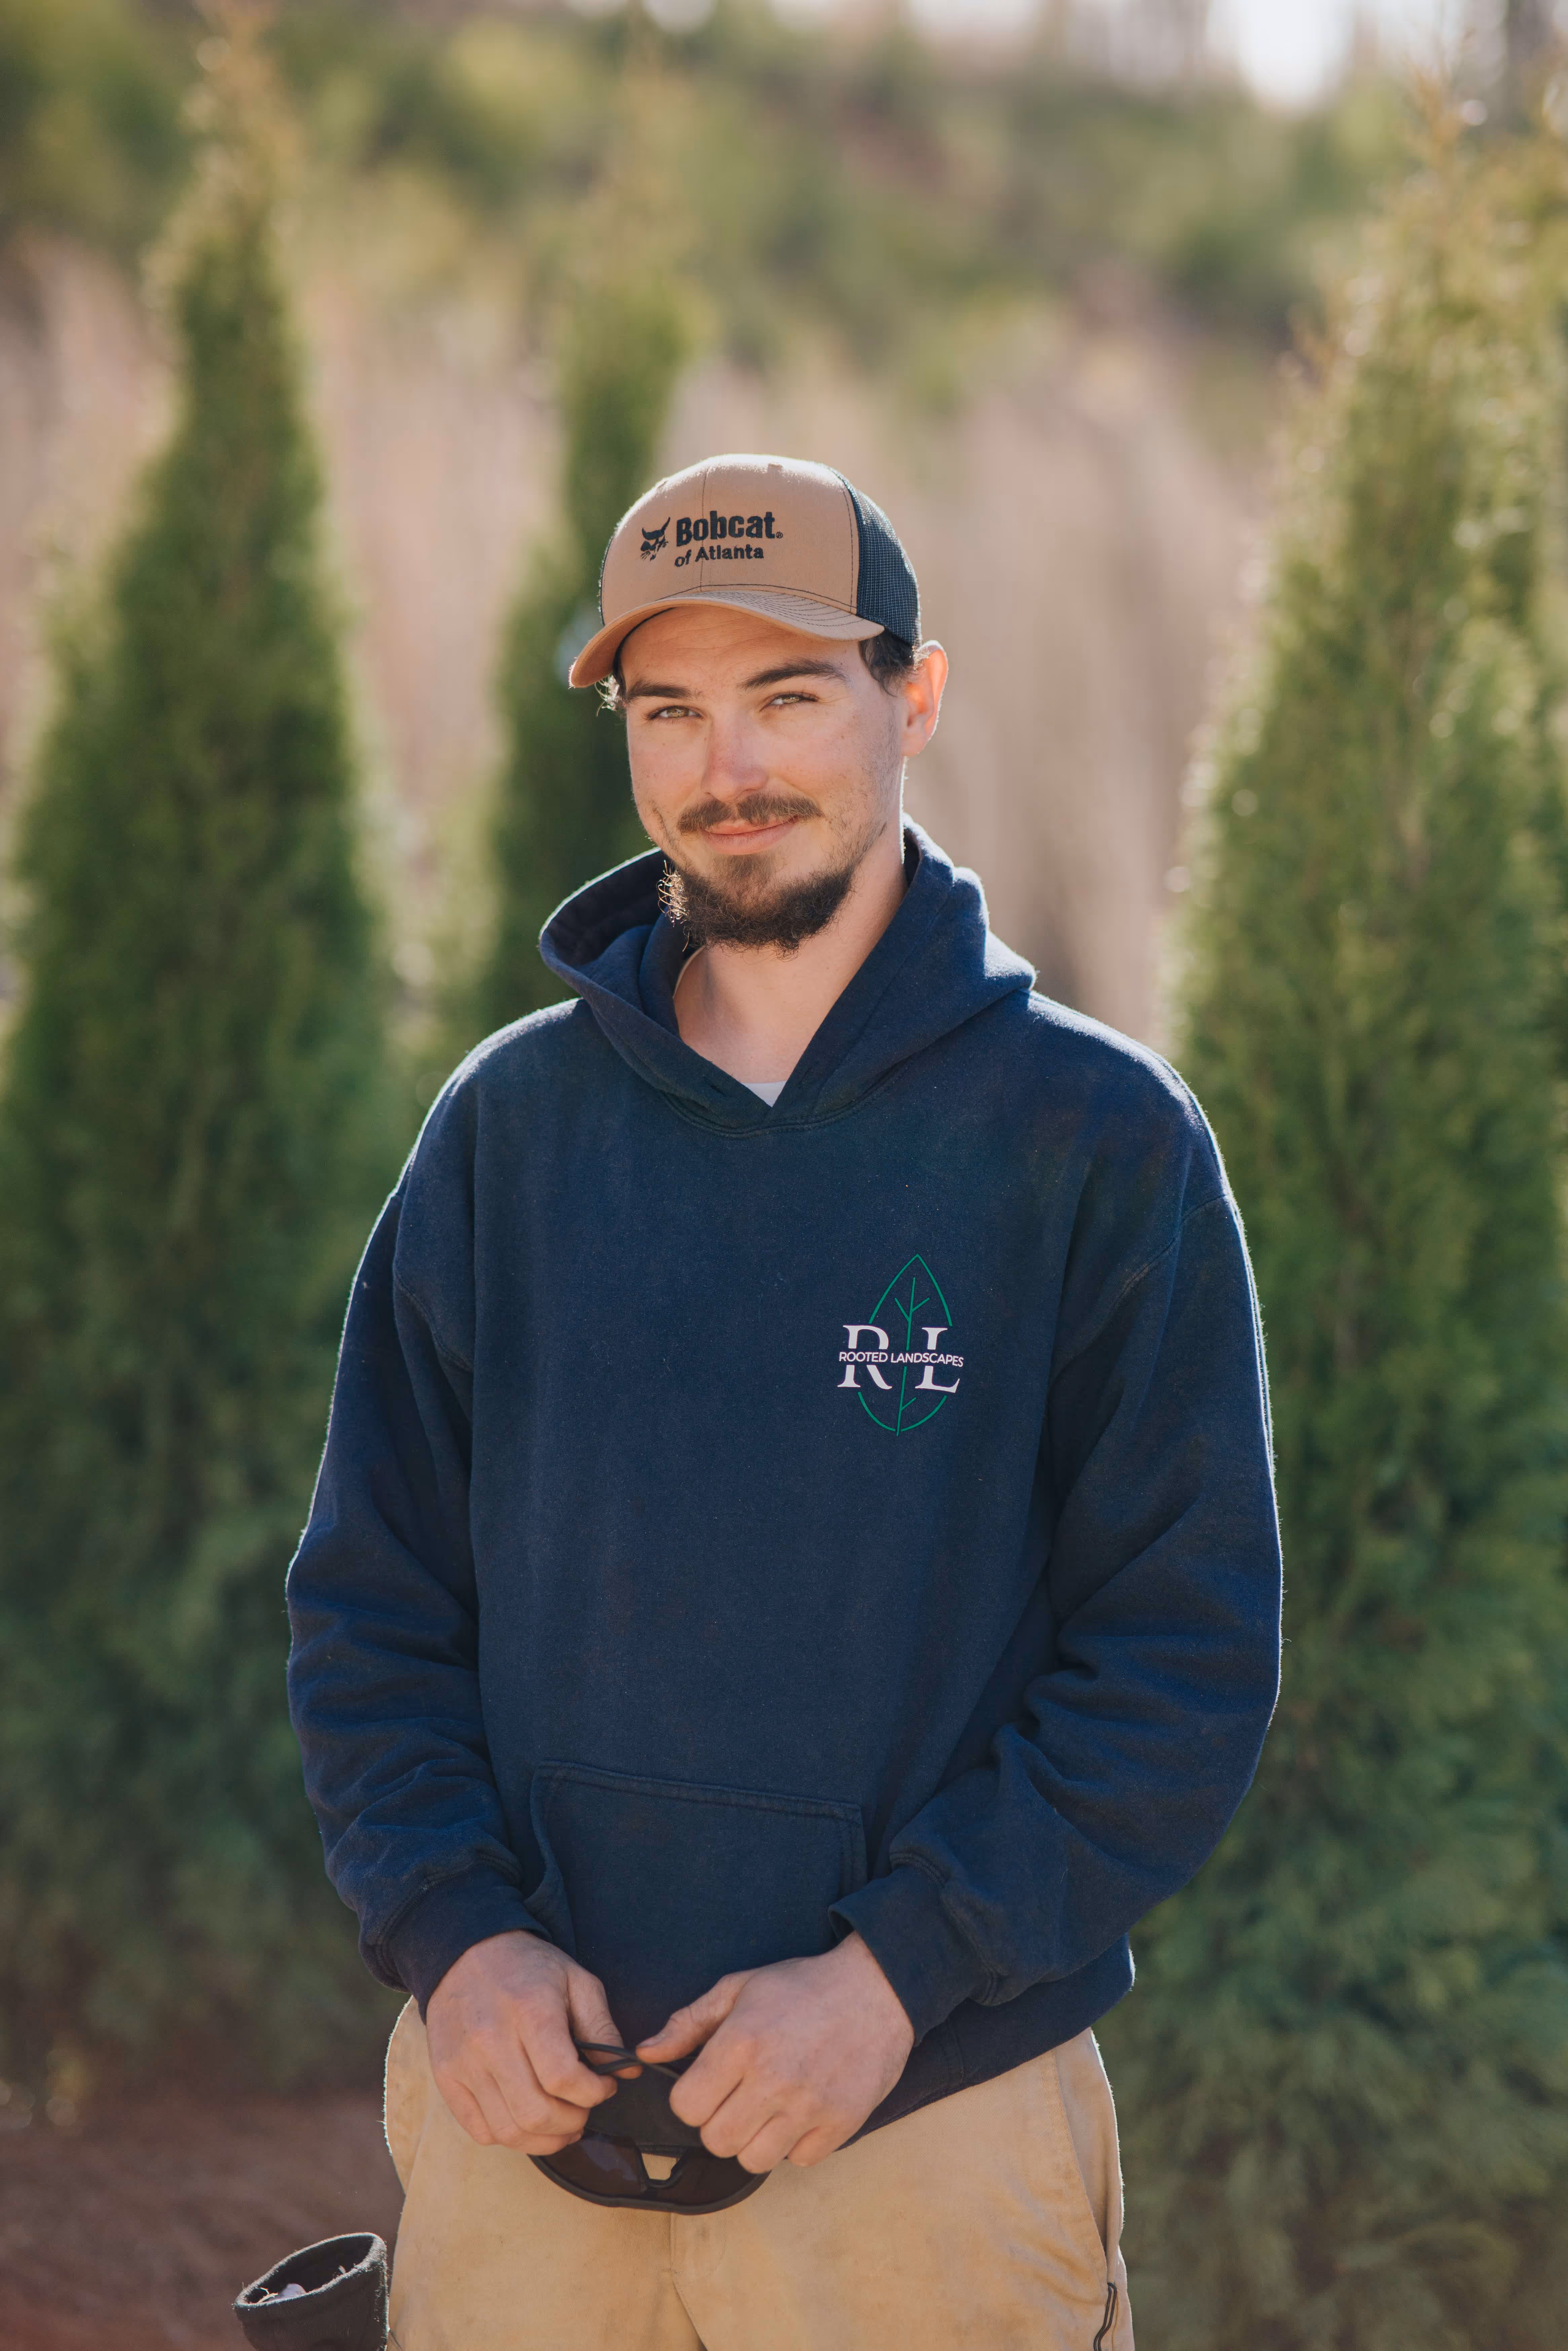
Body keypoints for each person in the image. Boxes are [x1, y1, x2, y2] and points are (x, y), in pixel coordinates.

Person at [287, 453, 1282, 2351]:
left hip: (923, 2143)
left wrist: (898, 1975)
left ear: (918, 695)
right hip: (520, 2136)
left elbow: (1183, 1657)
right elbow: (371, 1605)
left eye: (788, 692)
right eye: (669, 708)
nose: (726, 764)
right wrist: (456, 1937)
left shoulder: (1096, 1144)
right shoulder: (507, 1136)